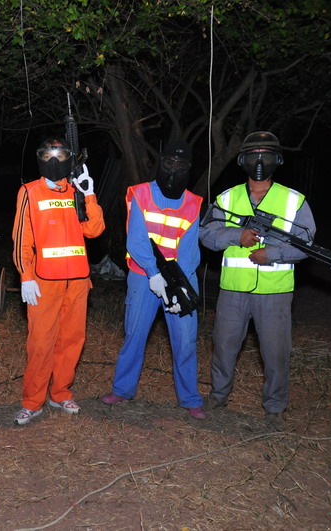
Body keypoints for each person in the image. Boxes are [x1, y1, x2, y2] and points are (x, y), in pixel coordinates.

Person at [199, 131, 315, 430]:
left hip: (274, 292)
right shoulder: (227, 197)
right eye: (253, 155)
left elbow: (306, 246)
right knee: (224, 345)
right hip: (233, 289)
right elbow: (207, 234)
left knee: (276, 352)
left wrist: (273, 253)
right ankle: (218, 396)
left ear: (277, 160)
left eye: (266, 155)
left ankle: (275, 407)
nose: (259, 161)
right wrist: (237, 235)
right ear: (242, 161)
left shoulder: (293, 200)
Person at [101, 141, 207, 419]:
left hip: (180, 277)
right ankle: (122, 390)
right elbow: (136, 240)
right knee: (134, 334)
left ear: (189, 168)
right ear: (161, 163)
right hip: (143, 277)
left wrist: (179, 287)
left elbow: (190, 251)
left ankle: (190, 398)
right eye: (169, 162)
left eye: (181, 165)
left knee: (185, 339)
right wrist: (154, 273)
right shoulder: (141, 193)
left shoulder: (193, 202)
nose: (174, 169)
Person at [11, 137, 105, 425]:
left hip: (78, 281)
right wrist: (26, 276)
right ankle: (32, 401)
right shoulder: (30, 191)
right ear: (39, 159)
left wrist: (89, 195)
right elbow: (21, 238)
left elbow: (94, 230)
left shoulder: (77, 190)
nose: (54, 162)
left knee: (72, 341)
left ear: (70, 159)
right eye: (47, 156)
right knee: (41, 343)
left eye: (60, 156)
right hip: (44, 282)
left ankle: (61, 393)